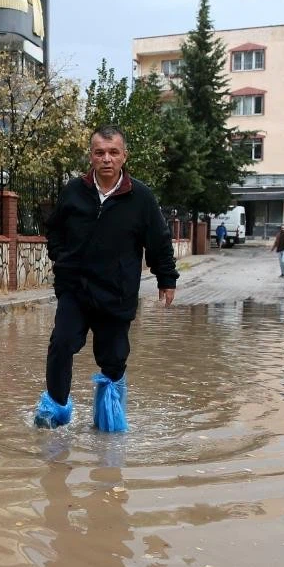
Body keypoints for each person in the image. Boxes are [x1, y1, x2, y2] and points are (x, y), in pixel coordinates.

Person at [33, 125, 178, 432]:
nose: (107, 159)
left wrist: (167, 278)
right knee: (61, 344)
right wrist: (60, 257)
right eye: (100, 152)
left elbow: (159, 241)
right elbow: (55, 228)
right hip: (75, 289)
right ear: (91, 156)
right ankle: (55, 411)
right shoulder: (74, 191)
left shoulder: (141, 198)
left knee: (113, 358)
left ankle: (107, 421)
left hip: (116, 293)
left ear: (124, 156)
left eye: (113, 152)